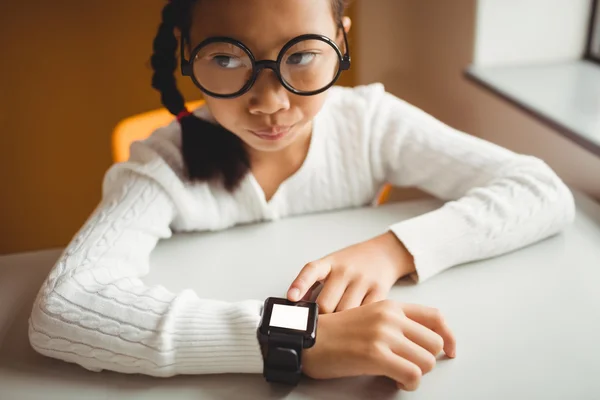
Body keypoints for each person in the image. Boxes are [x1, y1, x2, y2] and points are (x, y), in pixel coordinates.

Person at [28, 0, 575, 392]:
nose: (269, 101)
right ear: (186, 53)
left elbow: (541, 190)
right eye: (226, 59)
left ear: (340, 39)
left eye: (301, 56)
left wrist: (391, 250)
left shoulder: (370, 122)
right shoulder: (165, 164)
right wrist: (295, 339)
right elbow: (63, 309)